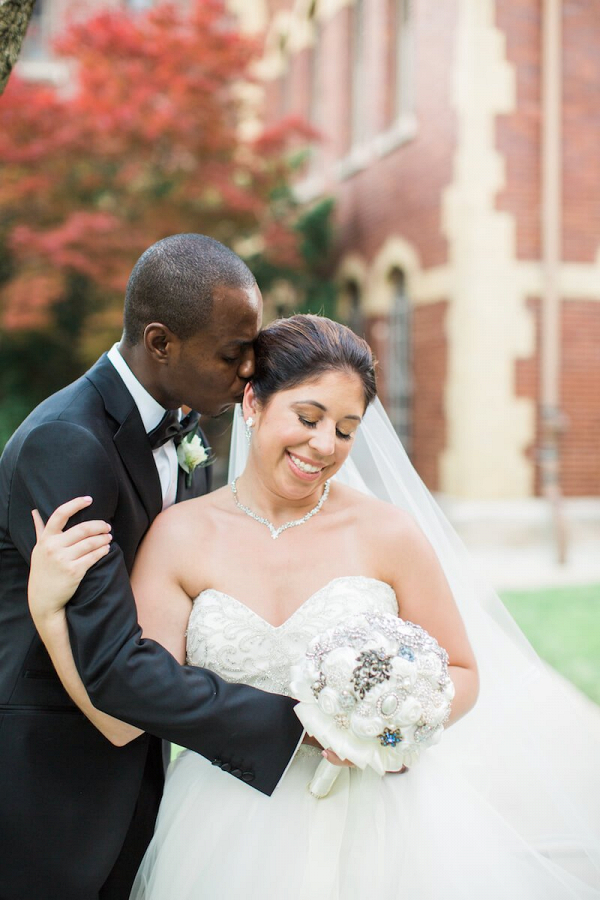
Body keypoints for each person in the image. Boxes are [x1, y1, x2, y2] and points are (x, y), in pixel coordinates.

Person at [28, 315, 600, 898]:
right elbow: (121, 719)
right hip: (221, 834)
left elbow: (464, 672)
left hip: (379, 828)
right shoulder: (180, 536)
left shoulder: (387, 534)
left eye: (347, 429)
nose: (325, 446)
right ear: (252, 402)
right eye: (308, 418)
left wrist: (389, 725)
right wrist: (50, 616)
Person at [0, 235, 304, 900]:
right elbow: (109, 661)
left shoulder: (184, 428)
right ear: (160, 342)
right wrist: (296, 721)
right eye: (233, 353)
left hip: (140, 766)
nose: (250, 371)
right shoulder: (66, 443)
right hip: (49, 781)